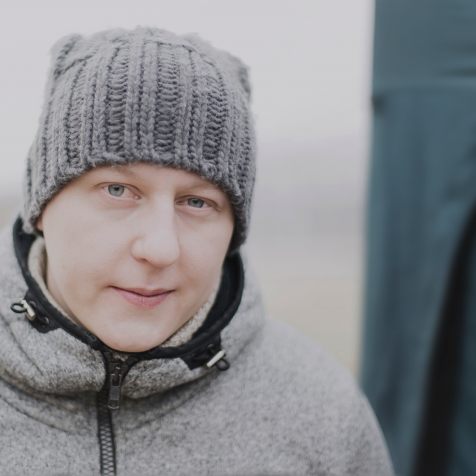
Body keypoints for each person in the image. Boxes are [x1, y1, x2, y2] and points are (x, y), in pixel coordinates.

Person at [0, 27, 392, 475]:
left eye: (197, 202)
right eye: (117, 190)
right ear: (42, 207)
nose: (160, 248)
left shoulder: (324, 414)